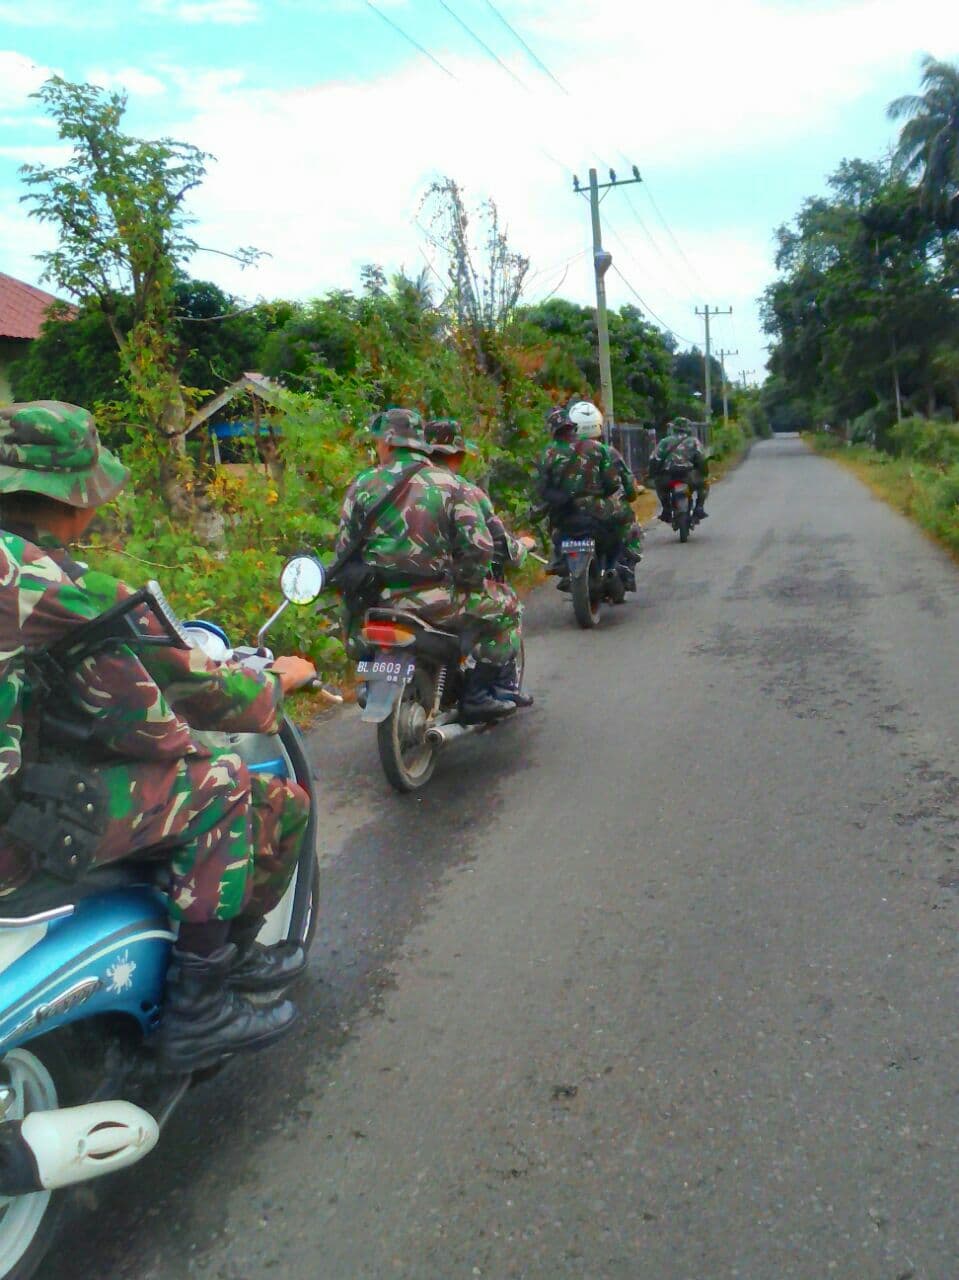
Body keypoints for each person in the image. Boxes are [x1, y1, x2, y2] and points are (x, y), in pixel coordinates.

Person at [0, 401, 317, 1074]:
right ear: (76, 500)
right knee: (223, 784)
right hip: (10, 842)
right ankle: (200, 1011)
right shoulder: (49, 582)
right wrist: (275, 684)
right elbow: (192, 694)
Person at [335, 407, 515, 723]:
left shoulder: (362, 484)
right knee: (508, 608)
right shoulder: (450, 485)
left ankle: (369, 678)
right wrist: (467, 580)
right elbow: (479, 547)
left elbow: (343, 551)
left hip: (377, 603)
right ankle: (476, 695)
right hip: (437, 601)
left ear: (387, 442)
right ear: (420, 443)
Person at [423, 418, 533, 708]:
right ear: (458, 456)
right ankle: (478, 693)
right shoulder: (464, 491)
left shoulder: (398, 486)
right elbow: (495, 543)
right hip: (444, 593)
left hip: (392, 594)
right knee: (508, 609)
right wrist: (522, 549)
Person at [568, 400, 644, 585]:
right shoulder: (608, 452)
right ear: (598, 425)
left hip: (569, 512)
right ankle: (626, 566)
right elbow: (626, 484)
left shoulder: (561, 453)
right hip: (602, 512)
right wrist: (630, 495)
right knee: (630, 524)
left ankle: (560, 562)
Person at [650, 417, 710, 522]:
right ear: (688, 428)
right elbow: (701, 460)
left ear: (673, 428)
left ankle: (666, 510)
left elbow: (654, 459)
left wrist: (653, 474)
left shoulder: (665, 441)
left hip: (668, 477)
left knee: (659, 486)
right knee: (704, 483)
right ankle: (699, 508)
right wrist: (704, 473)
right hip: (689, 476)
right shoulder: (694, 441)